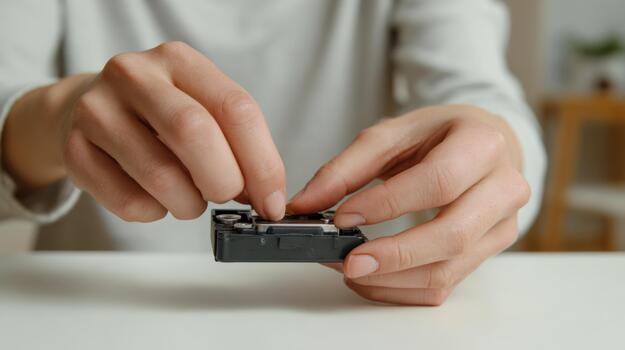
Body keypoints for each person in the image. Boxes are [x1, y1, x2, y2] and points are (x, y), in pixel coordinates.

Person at [0, 0, 545, 305]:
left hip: (344, 317)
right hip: (91, 311)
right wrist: (56, 115)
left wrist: (496, 145)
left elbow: (484, 96)